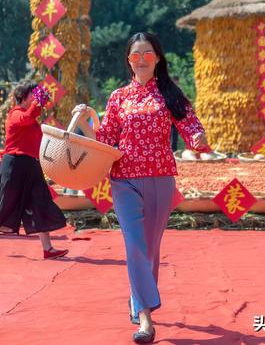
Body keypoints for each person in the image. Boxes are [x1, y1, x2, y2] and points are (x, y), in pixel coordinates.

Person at [73, 32, 210, 344]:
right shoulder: (119, 98)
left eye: (148, 53)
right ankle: (145, 318)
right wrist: (83, 121)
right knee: (134, 246)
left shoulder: (170, 94)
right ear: (129, 60)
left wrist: (198, 139)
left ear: (158, 58)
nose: (142, 59)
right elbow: (105, 138)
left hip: (161, 178)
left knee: (149, 248)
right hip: (124, 179)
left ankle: (138, 300)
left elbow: (190, 125)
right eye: (136, 54)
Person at [0, 81, 68, 259]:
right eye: (32, 95)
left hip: (31, 165)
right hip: (15, 165)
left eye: (36, 95)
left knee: (40, 202)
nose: (34, 97)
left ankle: (48, 249)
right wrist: (38, 103)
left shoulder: (31, 118)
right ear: (23, 97)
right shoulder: (15, 114)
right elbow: (27, 118)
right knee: (6, 203)